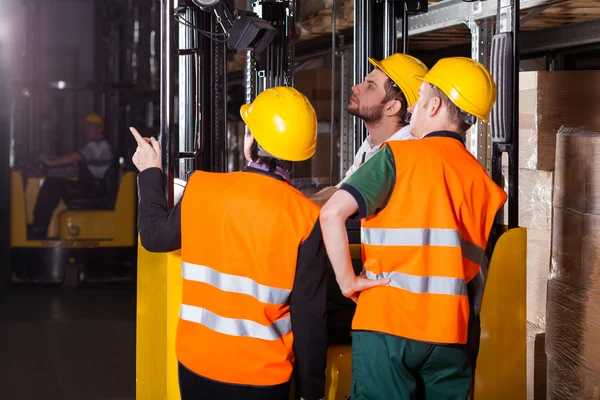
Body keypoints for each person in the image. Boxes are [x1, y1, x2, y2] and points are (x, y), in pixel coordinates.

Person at [131, 87, 383, 400]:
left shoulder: (203, 188)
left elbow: (154, 237)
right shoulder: (305, 218)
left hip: (197, 366)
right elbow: (309, 317)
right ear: (303, 155)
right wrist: (311, 390)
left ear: (250, 141)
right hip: (262, 377)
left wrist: (150, 172)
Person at [319, 57, 508, 399]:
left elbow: (331, 214)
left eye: (419, 99)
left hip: (387, 323)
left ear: (434, 105)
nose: (414, 108)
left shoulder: (397, 156)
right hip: (451, 332)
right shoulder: (484, 183)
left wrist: (349, 282)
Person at [310, 53, 428, 206]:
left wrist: (290, 210)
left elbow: (343, 204)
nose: (355, 88)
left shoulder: (402, 152)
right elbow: (340, 191)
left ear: (392, 107)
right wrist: (301, 204)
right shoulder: (371, 145)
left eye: (370, 86)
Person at [29, 112, 114, 238]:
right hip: (91, 187)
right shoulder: (97, 146)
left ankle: (38, 229)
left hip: (92, 190)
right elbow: (78, 163)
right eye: (86, 126)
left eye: (91, 127)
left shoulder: (98, 145)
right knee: (55, 183)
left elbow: (76, 157)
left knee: (52, 185)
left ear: (100, 129)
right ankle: (39, 225)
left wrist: (51, 163)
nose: (87, 130)